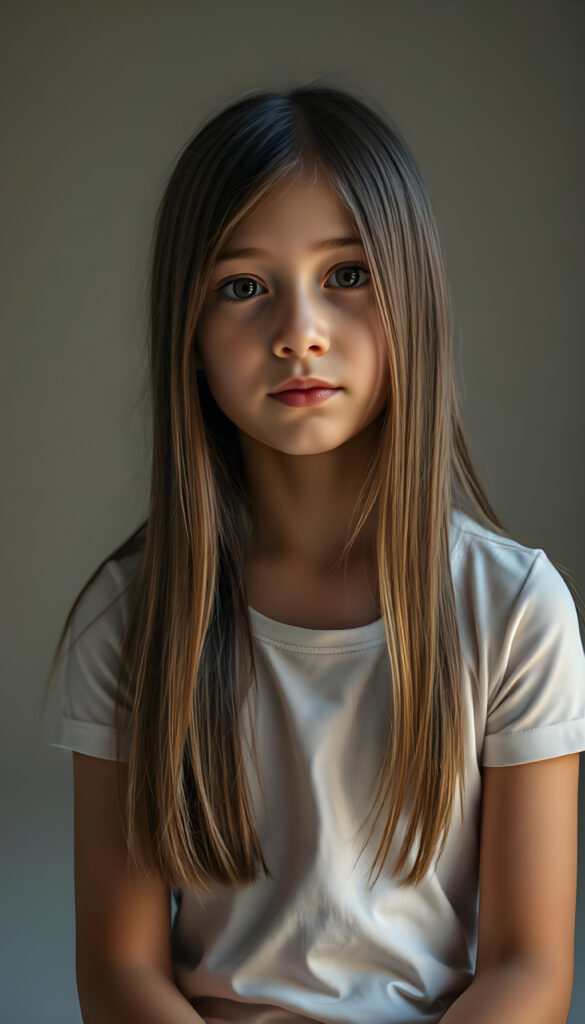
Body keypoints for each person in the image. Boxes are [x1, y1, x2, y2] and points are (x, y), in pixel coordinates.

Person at [44, 83, 585, 1024]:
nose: (297, 331)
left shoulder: (516, 611)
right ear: (190, 338)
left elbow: (528, 969)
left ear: (413, 295)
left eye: (347, 275)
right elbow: (120, 972)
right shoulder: (129, 619)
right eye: (242, 286)